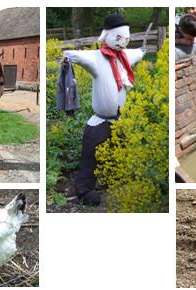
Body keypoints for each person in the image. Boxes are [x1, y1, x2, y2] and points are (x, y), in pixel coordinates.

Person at [62, 14, 145, 205]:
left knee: (120, 152)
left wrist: (141, 51)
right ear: (106, 35)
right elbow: (81, 56)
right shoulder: (97, 59)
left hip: (120, 120)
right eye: (118, 37)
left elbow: (136, 53)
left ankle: (116, 179)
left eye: (125, 38)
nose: (123, 41)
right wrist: (68, 55)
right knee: (90, 155)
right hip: (99, 120)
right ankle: (84, 190)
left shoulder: (124, 58)